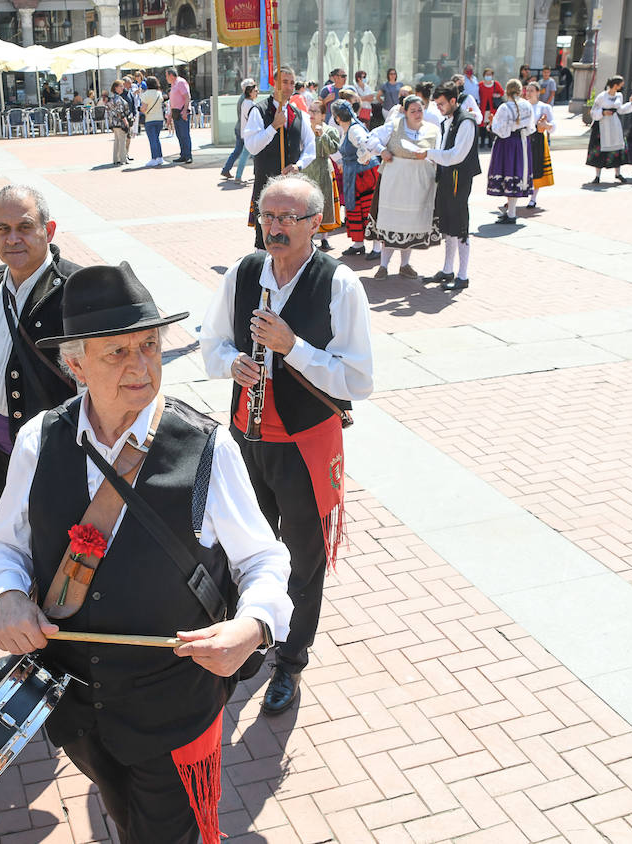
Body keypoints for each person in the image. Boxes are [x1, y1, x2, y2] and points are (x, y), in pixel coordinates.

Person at [0, 259, 292, 844]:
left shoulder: (205, 445)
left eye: (148, 346)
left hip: (173, 715)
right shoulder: (37, 440)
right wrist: (5, 597)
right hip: (73, 709)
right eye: (116, 353)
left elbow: (264, 561)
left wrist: (253, 625)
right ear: (75, 365)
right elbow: (7, 550)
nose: (140, 367)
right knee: (121, 815)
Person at [200, 172, 372, 719]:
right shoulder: (245, 272)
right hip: (246, 436)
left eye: (286, 218)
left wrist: (292, 348)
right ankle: (251, 639)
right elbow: (211, 343)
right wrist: (234, 363)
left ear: (314, 225)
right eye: (265, 216)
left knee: (303, 557)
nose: (272, 228)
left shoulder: (340, 284)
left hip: (305, 444)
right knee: (243, 547)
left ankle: (290, 661)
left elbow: (358, 380)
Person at [0, 185, 84, 692]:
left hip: (54, 455)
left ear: (48, 231)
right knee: (17, 549)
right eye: (3, 229)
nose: (13, 238)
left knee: (62, 556)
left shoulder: (74, 287)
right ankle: (25, 648)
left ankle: (64, 654)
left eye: (24, 226)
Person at [365, 94, 440, 278]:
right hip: (395, 180)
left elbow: (438, 152)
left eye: (420, 110)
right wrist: (382, 150)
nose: (417, 114)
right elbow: (371, 138)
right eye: (412, 110)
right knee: (392, 220)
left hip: (419, 181)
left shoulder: (432, 129)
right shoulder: (394, 125)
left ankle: (405, 264)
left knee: (411, 221)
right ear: (405, 112)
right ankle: (383, 265)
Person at [242, 66, 316, 251]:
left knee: (293, 234)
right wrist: (273, 127)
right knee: (265, 236)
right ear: (274, 84)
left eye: (292, 83)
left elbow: (311, 147)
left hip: (292, 187)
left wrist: (298, 165)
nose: (289, 87)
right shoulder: (259, 111)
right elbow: (251, 145)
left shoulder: (299, 114)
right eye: (284, 82)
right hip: (267, 184)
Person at [426, 83, 481, 290]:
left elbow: (456, 155)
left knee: (459, 225)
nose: (438, 107)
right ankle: (448, 269)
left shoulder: (466, 121)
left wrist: (429, 154)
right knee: (447, 224)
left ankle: (463, 275)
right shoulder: (447, 121)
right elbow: (444, 150)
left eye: (441, 104)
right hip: (448, 176)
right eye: (436, 103)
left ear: (452, 101)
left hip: (459, 176)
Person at [332, 101, 379, 259]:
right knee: (357, 208)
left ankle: (377, 247)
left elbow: (365, 144)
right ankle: (359, 244)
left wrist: (363, 158)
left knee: (367, 209)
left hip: (363, 175)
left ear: (337, 118)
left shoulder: (354, 129)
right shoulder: (350, 128)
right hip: (356, 175)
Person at [486, 78, 534, 224]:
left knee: (508, 174)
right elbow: (531, 127)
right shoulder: (527, 105)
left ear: (507, 91)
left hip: (506, 144)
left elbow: (499, 130)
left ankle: (512, 214)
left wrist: (490, 126)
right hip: (521, 143)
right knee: (516, 174)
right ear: (521, 91)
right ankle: (511, 212)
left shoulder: (505, 107)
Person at [302, 100, 343, 251]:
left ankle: (324, 238)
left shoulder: (329, 130)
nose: (311, 114)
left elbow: (333, 149)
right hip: (307, 170)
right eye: (310, 111)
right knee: (307, 204)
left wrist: (322, 135)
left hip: (323, 168)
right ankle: (309, 237)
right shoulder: (304, 128)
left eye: (315, 112)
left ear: (323, 115)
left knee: (323, 202)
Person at [587, 75, 631, 183]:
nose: (622, 87)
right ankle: (597, 175)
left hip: (614, 124)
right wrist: (602, 112)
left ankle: (618, 173)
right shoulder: (602, 96)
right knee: (600, 148)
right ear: (615, 85)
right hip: (602, 124)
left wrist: (631, 103)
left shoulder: (619, 96)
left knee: (617, 147)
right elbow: (593, 111)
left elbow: (620, 109)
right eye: (620, 85)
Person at [525, 81, 555, 206]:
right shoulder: (522, 105)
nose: (529, 93)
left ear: (538, 92)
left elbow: (553, 125)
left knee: (536, 167)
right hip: (524, 138)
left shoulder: (544, 107)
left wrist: (545, 125)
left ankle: (533, 198)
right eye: (527, 90)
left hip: (537, 139)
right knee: (522, 167)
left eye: (532, 90)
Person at [221, 80, 257, 182]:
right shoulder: (246, 101)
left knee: (244, 152)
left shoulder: (244, 99)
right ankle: (231, 171)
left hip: (242, 129)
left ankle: (228, 170)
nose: (256, 92)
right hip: (244, 130)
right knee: (243, 152)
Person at [166, 68, 193, 163]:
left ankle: (188, 155)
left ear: (171, 75)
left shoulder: (181, 82)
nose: (166, 78)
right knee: (179, 135)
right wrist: (169, 116)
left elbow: (187, 97)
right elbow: (172, 102)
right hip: (175, 112)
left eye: (167, 75)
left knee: (185, 134)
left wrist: (185, 111)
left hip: (182, 112)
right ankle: (183, 154)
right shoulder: (173, 84)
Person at [105, 80, 134, 166]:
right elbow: (120, 112)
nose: (123, 87)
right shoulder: (118, 99)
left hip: (114, 123)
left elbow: (109, 110)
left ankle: (116, 159)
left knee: (117, 141)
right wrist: (126, 122)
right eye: (121, 86)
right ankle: (123, 159)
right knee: (122, 141)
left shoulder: (112, 98)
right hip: (120, 122)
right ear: (116, 88)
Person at [139, 76, 165, 167]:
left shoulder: (145, 94)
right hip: (160, 118)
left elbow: (144, 108)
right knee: (157, 139)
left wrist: (140, 110)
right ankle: (160, 157)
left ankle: (154, 158)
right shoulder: (159, 93)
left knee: (152, 140)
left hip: (150, 119)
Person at [477, 68, 504, 149]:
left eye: (490, 74)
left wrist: (497, 95)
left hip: (493, 109)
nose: (488, 76)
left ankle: (490, 142)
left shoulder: (496, 84)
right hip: (483, 109)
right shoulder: (480, 85)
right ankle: (481, 142)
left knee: (491, 124)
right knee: (482, 126)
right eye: (486, 74)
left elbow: (502, 92)